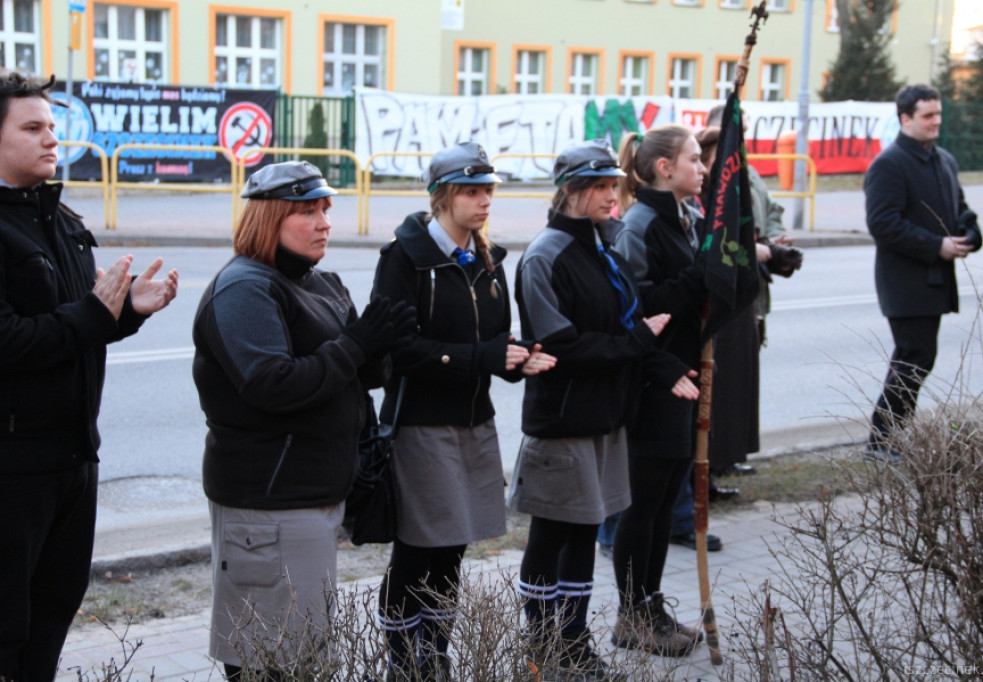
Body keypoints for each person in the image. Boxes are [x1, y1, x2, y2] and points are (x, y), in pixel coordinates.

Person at [193, 161, 415, 680]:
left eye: (324, 209)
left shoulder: (321, 281)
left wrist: (380, 348)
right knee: (269, 659)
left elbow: (357, 372)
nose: (323, 223)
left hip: (311, 495)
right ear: (270, 218)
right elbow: (272, 384)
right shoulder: (246, 288)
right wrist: (357, 345)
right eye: (306, 211)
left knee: (304, 651)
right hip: (268, 502)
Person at [0, 69, 178, 682]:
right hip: (13, 468)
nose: (51, 139)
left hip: (75, 460)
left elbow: (83, 327)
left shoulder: (66, 221)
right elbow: (11, 341)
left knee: (51, 623)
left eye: (52, 126)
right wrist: (97, 313)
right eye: (32, 128)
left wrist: (129, 312)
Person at [509, 139, 698, 681]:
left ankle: (573, 642)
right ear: (570, 191)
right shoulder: (546, 254)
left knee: (584, 536)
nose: (609, 195)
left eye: (612, 184)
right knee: (552, 536)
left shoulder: (602, 248)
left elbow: (628, 328)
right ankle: (541, 648)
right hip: (563, 419)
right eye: (598, 186)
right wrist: (639, 345)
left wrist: (664, 370)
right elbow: (561, 347)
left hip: (605, 418)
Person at [371, 142, 556, 682]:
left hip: (474, 422)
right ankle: (405, 663)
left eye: (488, 191)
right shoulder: (404, 258)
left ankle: (438, 655)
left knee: (452, 547)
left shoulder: (491, 257)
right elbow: (397, 351)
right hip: (422, 425)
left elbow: (490, 339)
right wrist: (483, 356)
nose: (484, 202)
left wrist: (516, 359)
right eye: (472, 192)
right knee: (418, 547)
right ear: (443, 197)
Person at [607, 124, 710, 657]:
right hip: (654, 379)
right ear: (665, 168)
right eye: (695, 159)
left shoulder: (685, 218)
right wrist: (699, 281)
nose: (704, 167)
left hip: (684, 374)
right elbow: (637, 309)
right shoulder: (640, 224)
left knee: (665, 498)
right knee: (643, 504)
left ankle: (650, 606)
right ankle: (631, 614)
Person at [864, 84, 982, 461]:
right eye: (928, 116)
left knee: (919, 359)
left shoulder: (943, 160)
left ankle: (893, 437)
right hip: (905, 281)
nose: (936, 122)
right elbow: (883, 223)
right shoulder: (890, 163)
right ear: (905, 119)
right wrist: (936, 246)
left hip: (935, 279)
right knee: (913, 357)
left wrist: (970, 233)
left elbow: (959, 208)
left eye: (938, 114)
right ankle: (882, 441)